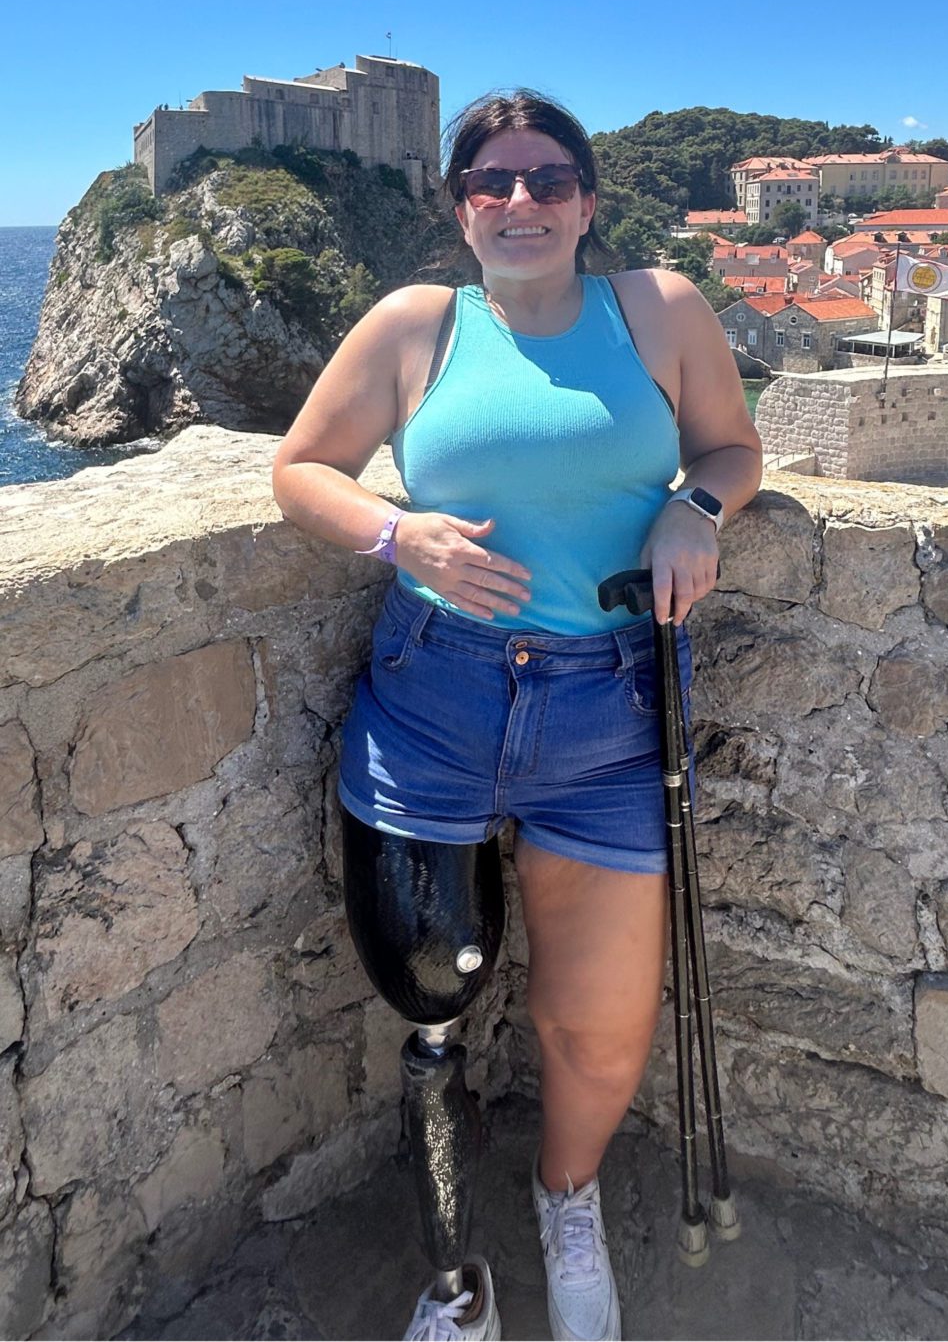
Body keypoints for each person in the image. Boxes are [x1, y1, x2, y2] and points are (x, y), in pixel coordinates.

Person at [272, 90, 762, 1342]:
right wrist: (400, 534)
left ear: (590, 202)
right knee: (430, 1013)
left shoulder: (659, 310)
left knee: (596, 1029)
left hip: (607, 710)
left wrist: (693, 512)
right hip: (434, 694)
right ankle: (455, 1289)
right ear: (460, 207)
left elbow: (728, 451)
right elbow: (300, 469)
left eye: (550, 180)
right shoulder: (413, 326)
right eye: (493, 181)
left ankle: (566, 1203)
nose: (522, 201)